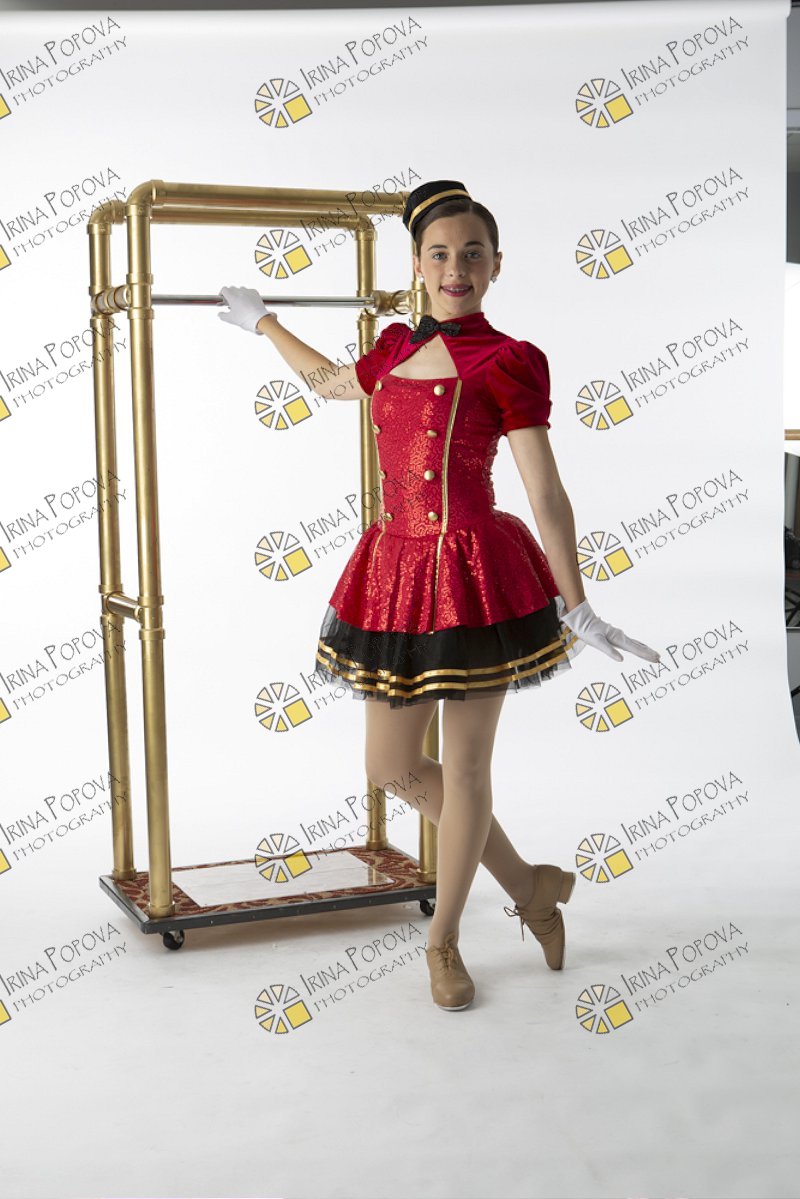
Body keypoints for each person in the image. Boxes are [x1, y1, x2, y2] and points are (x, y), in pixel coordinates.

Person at [218, 178, 660, 1013]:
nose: (457, 268)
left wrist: (578, 604)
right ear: (418, 265)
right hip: (394, 573)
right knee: (390, 765)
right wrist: (264, 322)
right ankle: (530, 885)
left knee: (464, 766)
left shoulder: (509, 360)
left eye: (473, 254)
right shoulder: (391, 346)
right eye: (441, 254)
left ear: (496, 266)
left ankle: (444, 942)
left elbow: (546, 493)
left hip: (477, 574)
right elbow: (332, 384)